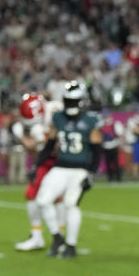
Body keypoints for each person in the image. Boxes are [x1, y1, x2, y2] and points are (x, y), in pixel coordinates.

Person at [35, 81, 103, 258]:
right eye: (68, 101)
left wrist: (91, 173)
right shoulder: (58, 117)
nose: (70, 105)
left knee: (70, 204)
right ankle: (57, 237)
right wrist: (38, 165)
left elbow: (97, 150)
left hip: (80, 169)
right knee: (42, 200)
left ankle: (71, 245)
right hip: (60, 167)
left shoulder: (90, 120)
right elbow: (50, 143)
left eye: (73, 102)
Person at [13, 93, 65, 252]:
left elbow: (45, 148)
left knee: (53, 197)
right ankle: (44, 236)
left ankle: (52, 236)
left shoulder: (56, 113)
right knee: (39, 195)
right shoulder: (39, 119)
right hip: (49, 159)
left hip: (59, 159)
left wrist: (31, 142)